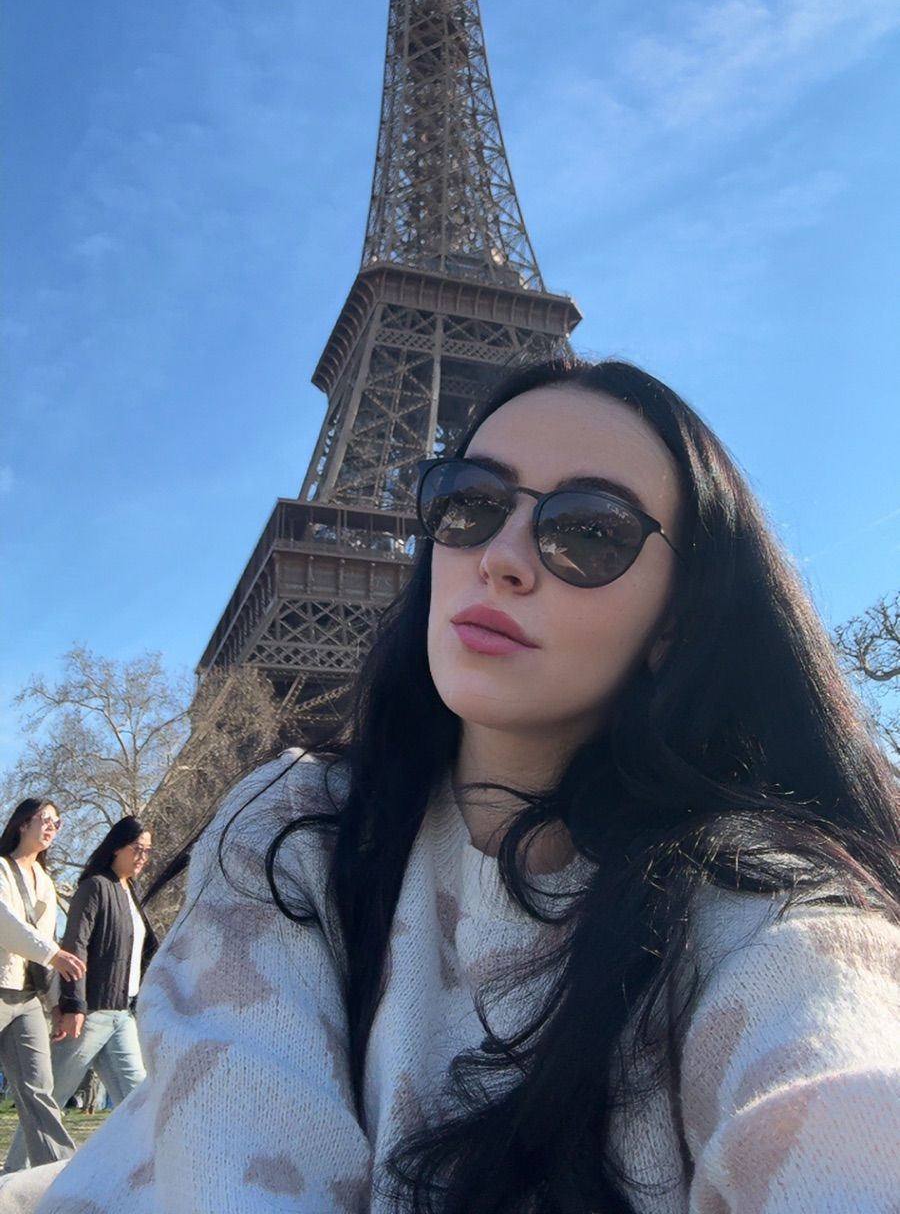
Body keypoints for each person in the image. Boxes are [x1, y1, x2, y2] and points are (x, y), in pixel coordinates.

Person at [2, 356, 900, 1213]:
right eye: (469, 503)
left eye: (590, 531)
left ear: (678, 621)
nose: (502, 556)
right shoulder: (294, 826)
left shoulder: (759, 914)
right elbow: (239, 1146)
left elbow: (839, 1078)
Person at [3, 816, 158, 1173]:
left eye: (148, 851)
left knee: (138, 1098)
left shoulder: (129, 891)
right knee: (49, 1100)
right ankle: (14, 1176)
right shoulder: (95, 887)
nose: (143, 857)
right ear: (116, 847)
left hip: (121, 1015)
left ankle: (143, 1175)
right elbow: (76, 946)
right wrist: (73, 1004)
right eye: (137, 849)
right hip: (90, 1014)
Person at [0, 800, 86, 1171]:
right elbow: (6, 925)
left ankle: (56, 1176)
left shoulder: (46, 883)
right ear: (23, 823)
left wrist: (55, 1004)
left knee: (39, 1089)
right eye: (45, 819)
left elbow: (46, 942)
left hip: (27, 1000)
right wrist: (53, 954)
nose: (52, 827)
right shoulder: (1, 869)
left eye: (57, 822)